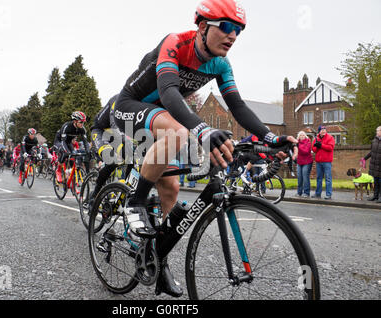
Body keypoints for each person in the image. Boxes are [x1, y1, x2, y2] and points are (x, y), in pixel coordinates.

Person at [112, 0, 296, 297]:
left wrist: (270, 137)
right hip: (131, 107)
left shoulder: (220, 64)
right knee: (179, 132)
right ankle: (136, 201)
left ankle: (156, 259)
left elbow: (236, 106)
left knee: (171, 188)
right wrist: (204, 130)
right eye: (226, 27)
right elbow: (169, 92)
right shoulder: (175, 43)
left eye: (238, 30)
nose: (233, 35)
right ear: (202, 26)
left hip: (165, 114)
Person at [53, 111, 90, 182]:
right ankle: (58, 170)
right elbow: (63, 142)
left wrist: (88, 151)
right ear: (75, 121)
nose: (82, 124)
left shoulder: (82, 129)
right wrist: (67, 152)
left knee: (73, 155)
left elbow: (85, 141)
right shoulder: (66, 126)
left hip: (68, 142)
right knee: (65, 153)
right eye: (81, 122)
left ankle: (70, 176)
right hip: (60, 141)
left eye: (83, 122)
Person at [311, 125, 335, 199]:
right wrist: (317, 146)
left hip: (327, 162)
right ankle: (318, 194)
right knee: (319, 178)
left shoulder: (330, 137)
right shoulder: (316, 138)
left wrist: (321, 145)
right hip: (319, 161)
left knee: (328, 178)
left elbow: (331, 148)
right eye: (322, 130)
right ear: (319, 131)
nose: (323, 131)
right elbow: (314, 150)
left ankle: (328, 194)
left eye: (324, 129)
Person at [362, 126, 381, 202]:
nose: (376, 132)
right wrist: (364, 158)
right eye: (376, 131)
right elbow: (371, 152)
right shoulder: (374, 141)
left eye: (378, 131)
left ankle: (380, 197)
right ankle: (375, 196)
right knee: (375, 181)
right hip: (374, 164)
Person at [293, 131, 313, 197]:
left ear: (305, 136)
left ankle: (306, 193)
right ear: (298, 137)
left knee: (305, 177)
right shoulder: (297, 143)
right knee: (299, 177)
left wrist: (298, 147)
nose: (302, 136)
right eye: (300, 135)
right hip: (299, 162)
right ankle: (299, 192)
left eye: (303, 135)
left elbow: (306, 151)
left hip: (307, 162)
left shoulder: (308, 142)